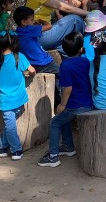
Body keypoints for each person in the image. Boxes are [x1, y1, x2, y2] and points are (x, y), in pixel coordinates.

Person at [38, 31, 93, 167]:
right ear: (81, 49)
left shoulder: (66, 65)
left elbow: (68, 88)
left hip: (76, 105)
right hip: (88, 102)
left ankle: (53, 156)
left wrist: (62, 104)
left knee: (55, 122)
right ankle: (68, 146)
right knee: (63, 119)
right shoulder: (86, 61)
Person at [0, 31, 35, 160]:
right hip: (20, 97)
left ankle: (17, 150)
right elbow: (32, 70)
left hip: (6, 100)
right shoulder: (19, 57)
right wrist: (30, 75)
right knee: (10, 125)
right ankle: (2, 147)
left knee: (10, 126)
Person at [13, 6, 61, 92]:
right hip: (45, 62)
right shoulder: (29, 29)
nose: (34, 21)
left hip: (33, 64)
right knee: (63, 75)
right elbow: (49, 26)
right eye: (32, 20)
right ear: (24, 22)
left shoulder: (18, 31)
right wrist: (41, 21)